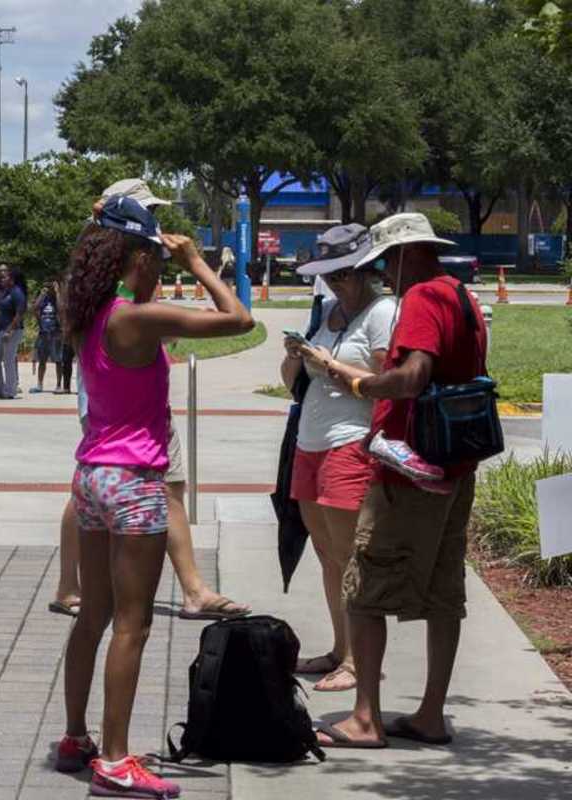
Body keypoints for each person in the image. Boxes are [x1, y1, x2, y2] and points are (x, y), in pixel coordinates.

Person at [59, 197, 253, 796]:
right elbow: (239, 319)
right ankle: (116, 761)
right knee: (132, 625)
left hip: (90, 476)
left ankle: (76, 737)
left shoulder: (87, 311)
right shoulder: (136, 319)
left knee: (92, 615)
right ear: (135, 257)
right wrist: (198, 262)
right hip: (135, 483)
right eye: (156, 261)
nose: (161, 272)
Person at [314, 212, 482, 750]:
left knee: (362, 587)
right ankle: (431, 714)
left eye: (386, 261)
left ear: (407, 254)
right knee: (442, 592)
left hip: (408, 471)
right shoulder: (462, 296)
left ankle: (365, 718)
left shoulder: (424, 300)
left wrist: (364, 383)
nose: (384, 273)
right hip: (453, 467)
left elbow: (412, 377)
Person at [279, 224, 397, 693]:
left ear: (365, 270)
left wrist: (328, 363)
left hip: (352, 440)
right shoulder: (325, 311)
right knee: (327, 555)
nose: (335, 283)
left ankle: (356, 661)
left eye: (343, 274)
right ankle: (338, 647)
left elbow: (387, 379)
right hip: (310, 439)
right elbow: (293, 381)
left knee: (351, 557)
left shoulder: (383, 312)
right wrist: (294, 357)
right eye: (329, 274)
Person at [0, 266, 26, 400]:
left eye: (6, 276)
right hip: (0, 329)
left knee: (8, 360)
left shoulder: (17, 292)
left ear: (12, 279)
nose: (3, 278)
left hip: (13, 330)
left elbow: (19, 314)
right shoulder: (6, 291)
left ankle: (10, 390)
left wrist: (10, 330)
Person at [31, 280, 63, 393]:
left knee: (58, 360)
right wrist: (42, 294)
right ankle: (40, 385)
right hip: (43, 333)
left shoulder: (57, 300)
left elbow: (61, 309)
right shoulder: (43, 300)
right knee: (42, 361)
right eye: (46, 287)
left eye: (49, 287)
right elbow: (34, 308)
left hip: (55, 333)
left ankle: (59, 385)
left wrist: (57, 292)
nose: (48, 289)